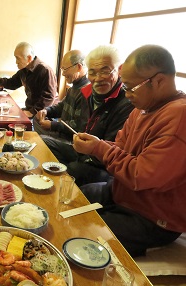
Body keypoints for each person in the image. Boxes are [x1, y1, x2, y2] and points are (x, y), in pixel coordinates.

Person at [73, 44, 186, 257]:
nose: (126, 95)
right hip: (123, 193)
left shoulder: (179, 116)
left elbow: (140, 175)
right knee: (75, 197)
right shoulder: (142, 108)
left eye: (131, 88)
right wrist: (98, 146)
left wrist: (99, 148)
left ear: (159, 80)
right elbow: (121, 147)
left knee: (85, 233)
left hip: (154, 217)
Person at [47, 45, 134, 186]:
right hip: (83, 152)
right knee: (46, 142)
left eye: (105, 71)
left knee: (73, 170)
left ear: (119, 69)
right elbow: (80, 127)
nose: (98, 79)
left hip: (103, 164)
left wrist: (84, 153)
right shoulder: (86, 92)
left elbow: (115, 151)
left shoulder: (127, 103)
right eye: (92, 72)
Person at [33, 50, 90, 143]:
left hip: (71, 141)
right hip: (62, 132)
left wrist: (53, 125)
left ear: (79, 67)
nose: (63, 73)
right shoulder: (73, 88)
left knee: (43, 140)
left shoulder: (86, 92)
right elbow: (61, 107)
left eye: (65, 69)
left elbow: (78, 127)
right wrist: (46, 111)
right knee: (36, 119)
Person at [0, 42, 58, 116]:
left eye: (18, 58)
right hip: (30, 109)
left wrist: (32, 112)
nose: (16, 62)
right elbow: (12, 83)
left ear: (29, 58)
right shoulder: (24, 70)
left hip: (45, 114)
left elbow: (49, 97)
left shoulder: (45, 70)